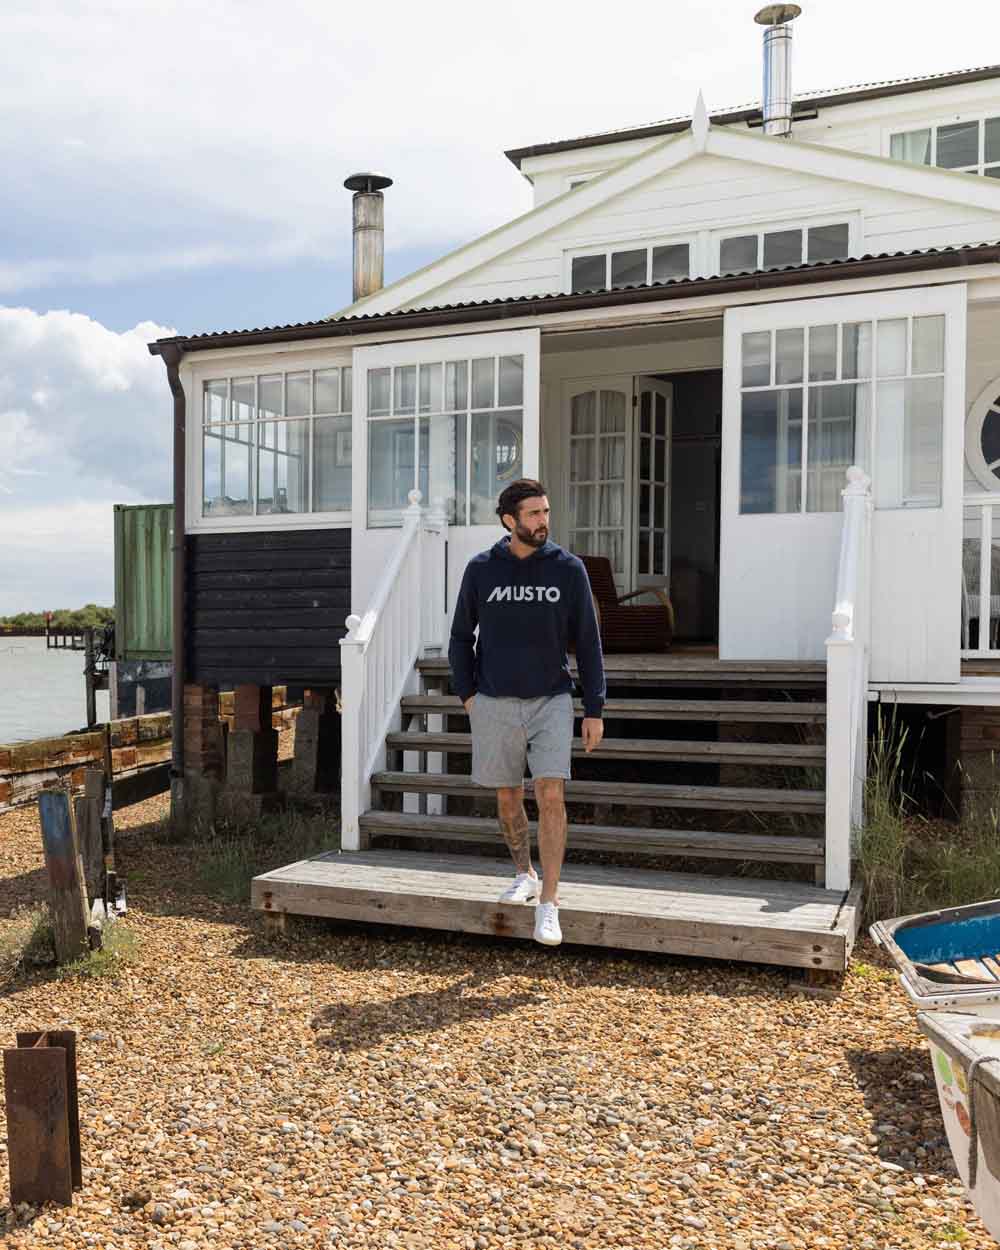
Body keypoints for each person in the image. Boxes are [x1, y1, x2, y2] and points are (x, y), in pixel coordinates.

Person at [448, 479, 605, 947]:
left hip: (551, 699)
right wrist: (468, 695)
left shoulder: (568, 569)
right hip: (494, 700)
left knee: (551, 793)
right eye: (534, 514)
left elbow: (590, 643)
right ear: (509, 521)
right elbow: (460, 637)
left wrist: (593, 708)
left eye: (546, 512)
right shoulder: (481, 570)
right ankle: (524, 872)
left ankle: (549, 904)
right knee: (506, 798)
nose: (543, 521)